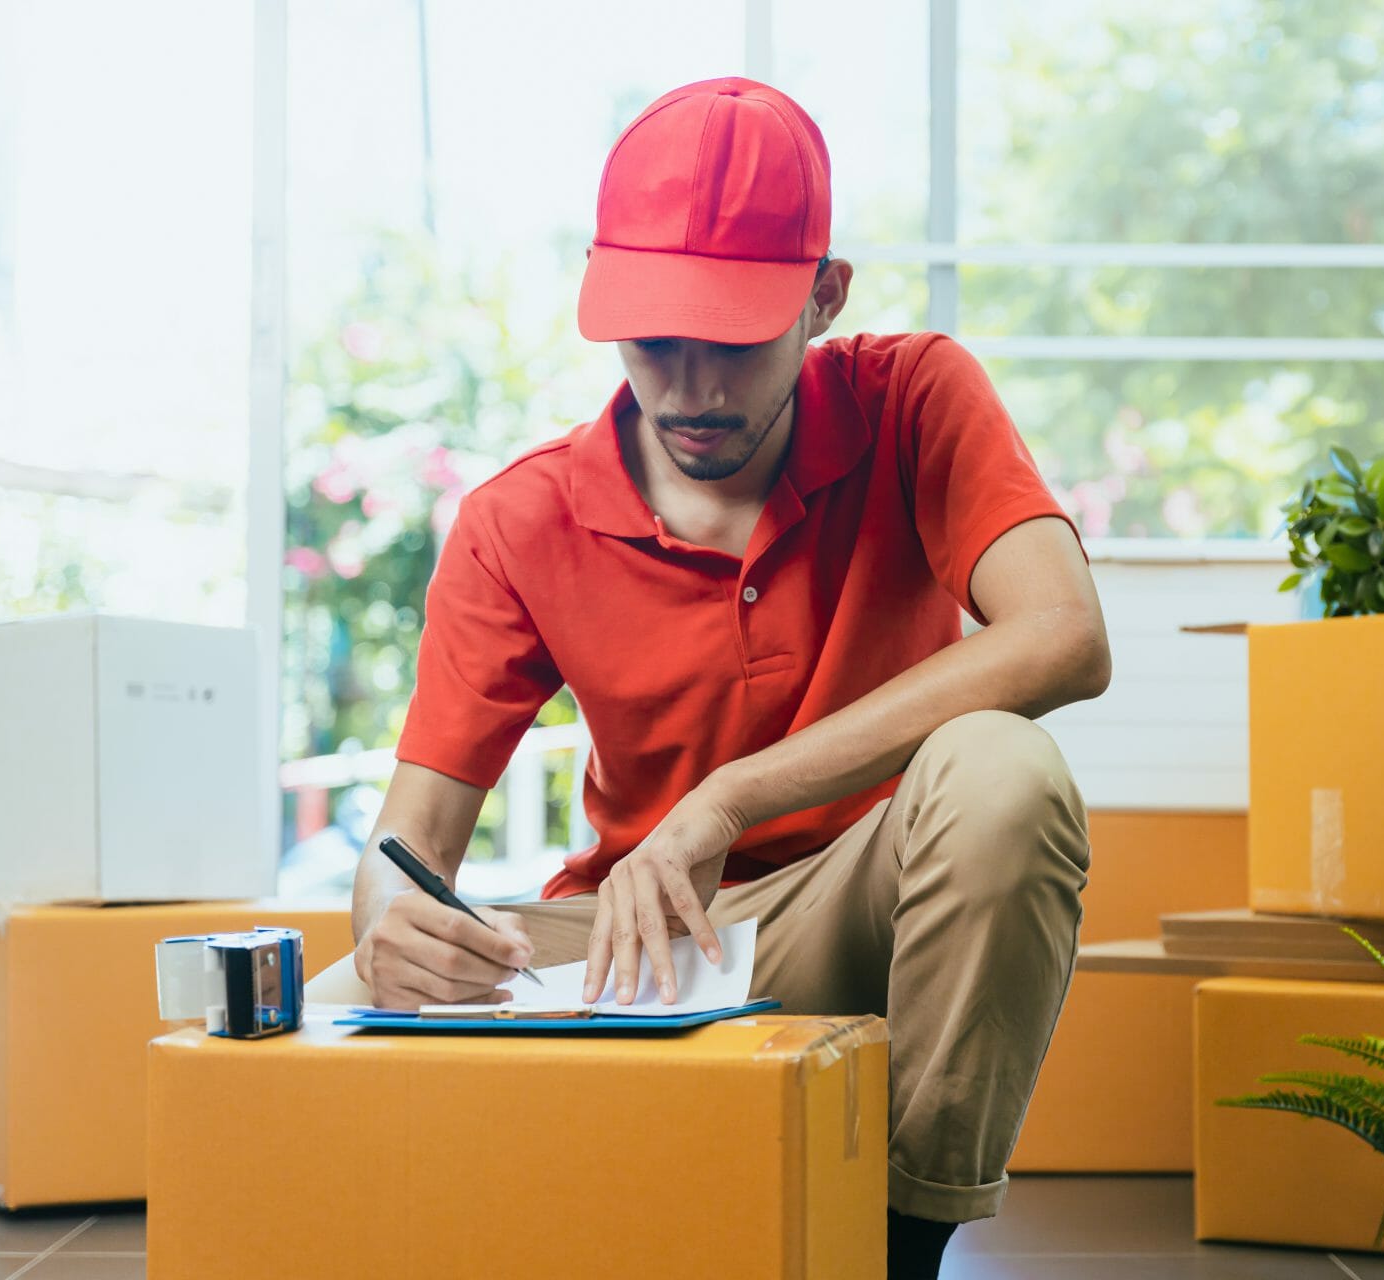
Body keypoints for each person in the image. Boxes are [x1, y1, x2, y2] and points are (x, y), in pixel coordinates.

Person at [321, 76, 1110, 1280]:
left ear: (825, 296)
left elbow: (1064, 635)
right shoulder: (515, 521)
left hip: (870, 907)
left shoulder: (914, 398)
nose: (691, 389)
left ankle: (895, 1246)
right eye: (653, 341)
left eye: (734, 342)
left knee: (1005, 770)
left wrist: (724, 799)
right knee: (331, 995)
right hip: (635, 939)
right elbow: (405, 847)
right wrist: (388, 927)